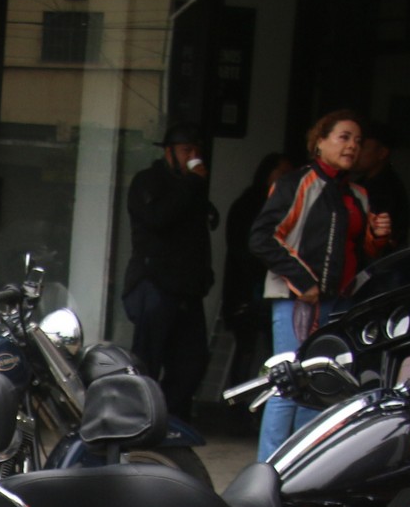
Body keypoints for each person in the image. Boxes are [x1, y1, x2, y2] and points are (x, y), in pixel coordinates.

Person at [249, 109, 394, 458]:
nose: (352, 146)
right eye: (344, 137)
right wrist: (304, 282)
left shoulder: (357, 193)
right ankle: (267, 467)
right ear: (320, 142)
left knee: (320, 386)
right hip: (297, 300)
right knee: (287, 384)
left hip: (338, 303)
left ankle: (298, 466)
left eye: (358, 141)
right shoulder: (297, 184)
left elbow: (362, 254)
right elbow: (261, 238)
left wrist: (378, 237)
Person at [122, 122, 217, 422]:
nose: (193, 157)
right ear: (169, 152)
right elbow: (158, 218)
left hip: (186, 288)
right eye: (187, 150)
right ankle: (137, 419)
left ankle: (170, 417)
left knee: (192, 362)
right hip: (154, 283)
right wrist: (191, 184)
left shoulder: (192, 187)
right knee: (148, 358)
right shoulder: (148, 181)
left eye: (196, 151)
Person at [223, 152, 292, 385]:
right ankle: (239, 401)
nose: (286, 179)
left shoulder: (285, 205)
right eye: (282, 173)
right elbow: (241, 249)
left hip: (271, 287)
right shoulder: (249, 204)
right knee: (248, 349)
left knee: (273, 352)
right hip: (247, 288)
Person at [355, 121, 410, 250]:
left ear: (382, 153)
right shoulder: (361, 183)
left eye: (363, 147)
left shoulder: (387, 188)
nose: (355, 151)